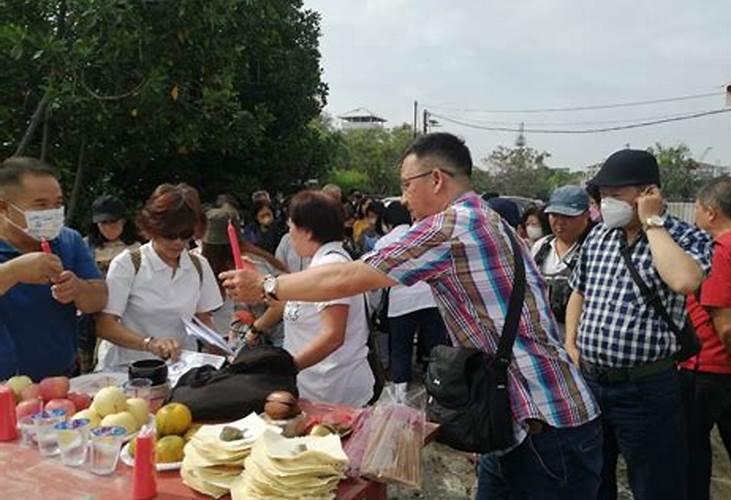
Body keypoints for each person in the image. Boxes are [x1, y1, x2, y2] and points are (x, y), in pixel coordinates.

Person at [221, 133, 601, 499]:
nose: (403, 198)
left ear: (436, 179)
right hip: (515, 418)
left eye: (406, 185)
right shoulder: (487, 219)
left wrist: (268, 286)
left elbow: (348, 277)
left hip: (545, 423)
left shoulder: (454, 226)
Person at [565, 149, 712, 500]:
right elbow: (577, 291)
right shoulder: (599, 236)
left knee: (655, 481)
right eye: (602, 196)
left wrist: (652, 224)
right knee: (592, 475)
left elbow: (684, 281)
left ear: (649, 194)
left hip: (647, 388)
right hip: (592, 379)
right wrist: (571, 343)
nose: (606, 203)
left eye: (616, 195)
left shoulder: (686, 237)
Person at [95, 183, 223, 370]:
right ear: (152, 229)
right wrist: (150, 344)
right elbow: (105, 325)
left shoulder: (198, 265)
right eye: (170, 235)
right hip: (129, 369)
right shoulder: (128, 264)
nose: (178, 242)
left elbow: (203, 319)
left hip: (180, 368)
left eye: (186, 234)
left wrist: (220, 349)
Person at [0, 157, 107, 380]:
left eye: (57, 204)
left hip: (64, 379)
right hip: (6, 390)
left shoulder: (68, 240)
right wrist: (13, 272)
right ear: (4, 208)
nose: (52, 212)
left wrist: (77, 289)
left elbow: (98, 299)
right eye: (41, 205)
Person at [680, 176, 731, 500]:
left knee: (693, 457)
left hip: (711, 369)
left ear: (710, 212)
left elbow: (725, 325)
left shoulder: (724, 250)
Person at [270, 190, 374, 406]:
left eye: (291, 227)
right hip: (318, 387)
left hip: (334, 392)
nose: (289, 235)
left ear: (307, 232)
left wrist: (287, 368)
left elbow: (333, 336)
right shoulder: (321, 262)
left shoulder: (330, 265)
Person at [374, 201, 448, 398]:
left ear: (387, 221)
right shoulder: (422, 234)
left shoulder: (384, 242)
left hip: (401, 303)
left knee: (401, 347)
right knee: (436, 347)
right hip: (430, 299)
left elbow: (378, 274)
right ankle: (437, 392)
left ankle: (400, 394)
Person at [200, 206, 286, 346]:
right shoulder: (251, 257)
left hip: (275, 338)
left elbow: (278, 304)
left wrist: (254, 330)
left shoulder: (248, 264)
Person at [78, 194, 141, 372]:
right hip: (89, 317)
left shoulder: (138, 248)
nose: (108, 227)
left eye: (113, 222)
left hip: (127, 315)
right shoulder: (84, 246)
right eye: (102, 223)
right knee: (87, 369)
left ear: (124, 221)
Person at [531, 185, 593, 332]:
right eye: (554, 215)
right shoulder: (541, 246)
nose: (559, 222)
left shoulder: (594, 248)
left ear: (586, 215)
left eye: (568, 217)